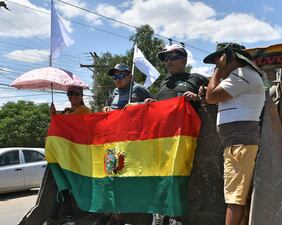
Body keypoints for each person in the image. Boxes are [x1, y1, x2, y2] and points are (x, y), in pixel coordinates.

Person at [204, 42, 265, 225]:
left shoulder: (242, 75)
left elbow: (211, 97)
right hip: (237, 144)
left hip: (239, 144)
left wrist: (217, 70)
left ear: (230, 58)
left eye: (219, 59)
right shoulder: (240, 77)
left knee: (234, 198)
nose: (217, 64)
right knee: (240, 195)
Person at [148, 44, 208, 225]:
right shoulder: (164, 82)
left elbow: (214, 94)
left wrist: (200, 97)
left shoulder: (195, 78)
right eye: (166, 59)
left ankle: (175, 216)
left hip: (183, 137)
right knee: (158, 175)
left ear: (184, 60)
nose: (168, 62)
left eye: (172, 57)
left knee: (178, 176)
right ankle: (159, 212)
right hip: (161, 138)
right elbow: (159, 106)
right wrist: (151, 102)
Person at [94, 63, 152, 225]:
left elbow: (155, 106)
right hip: (112, 143)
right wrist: (106, 108)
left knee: (124, 180)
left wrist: (139, 105)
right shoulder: (115, 92)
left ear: (130, 75)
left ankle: (119, 217)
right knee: (110, 178)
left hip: (132, 144)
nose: (117, 79)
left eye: (121, 76)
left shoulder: (138, 89)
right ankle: (115, 215)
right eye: (114, 76)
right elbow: (113, 110)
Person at [45, 86, 91, 225]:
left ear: (82, 96)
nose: (73, 96)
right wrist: (54, 116)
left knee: (73, 185)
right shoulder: (65, 112)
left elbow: (73, 124)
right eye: (70, 94)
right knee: (61, 185)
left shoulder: (85, 111)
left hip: (77, 155)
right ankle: (65, 217)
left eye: (76, 94)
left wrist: (57, 118)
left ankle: (64, 217)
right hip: (61, 155)